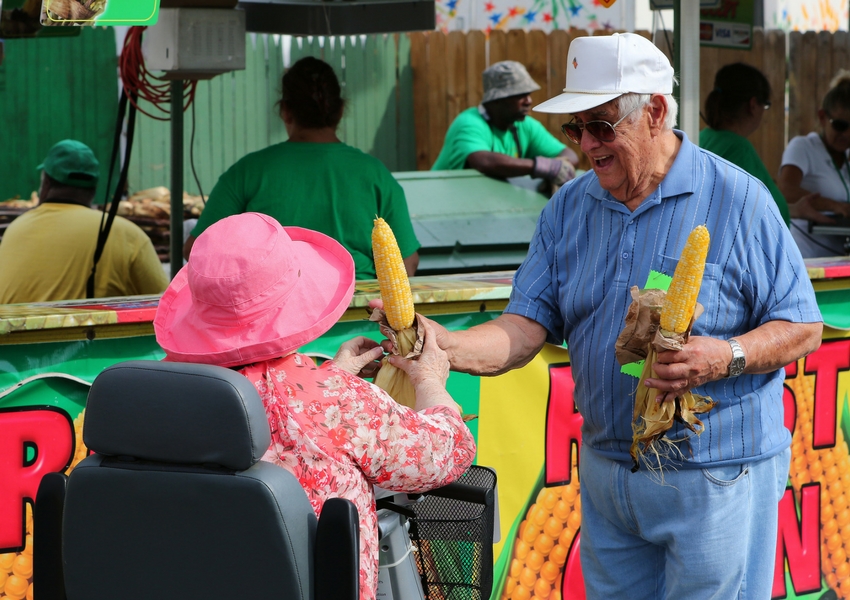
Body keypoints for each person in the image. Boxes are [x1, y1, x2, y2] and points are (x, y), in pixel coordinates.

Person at [410, 33, 822, 599]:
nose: (586, 144)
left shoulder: (739, 199)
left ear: (654, 111)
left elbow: (802, 326)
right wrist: (440, 345)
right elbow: (524, 327)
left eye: (602, 126)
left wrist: (725, 356)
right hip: (610, 474)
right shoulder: (568, 208)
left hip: (717, 474)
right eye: (574, 129)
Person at [155, 212, 476, 600]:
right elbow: (444, 452)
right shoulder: (333, 401)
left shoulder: (147, 398)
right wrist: (429, 379)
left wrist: (334, 374)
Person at [183, 56, 420, 280]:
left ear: (285, 111)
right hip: (360, 318)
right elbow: (407, 264)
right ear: (339, 111)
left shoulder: (246, 172)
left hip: (272, 317)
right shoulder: (376, 175)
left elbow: (197, 250)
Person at [0, 139, 169, 303]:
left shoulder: (14, 230)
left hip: (16, 331)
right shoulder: (128, 236)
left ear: (46, 184)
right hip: (92, 331)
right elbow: (166, 305)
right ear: (94, 188)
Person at [699, 62, 825, 228]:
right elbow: (750, 214)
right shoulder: (738, 148)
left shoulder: (703, 137)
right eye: (765, 105)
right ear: (753, 105)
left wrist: (793, 210)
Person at [431, 60, 579, 194]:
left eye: (528, 94)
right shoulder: (469, 123)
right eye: (520, 95)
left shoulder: (525, 125)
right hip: (439, 203)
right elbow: (482, 161)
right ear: (497, 99)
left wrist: (557, 168)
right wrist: (542, 167)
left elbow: (570, 155)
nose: (529, 101)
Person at [779, 69, 850, 258]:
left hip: (838, 260)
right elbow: (785, 189)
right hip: (806, 258)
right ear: (822, 117)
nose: (847, 134)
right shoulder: (803, 147)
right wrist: (834, 205)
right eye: (840, 126)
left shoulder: (846, 156)